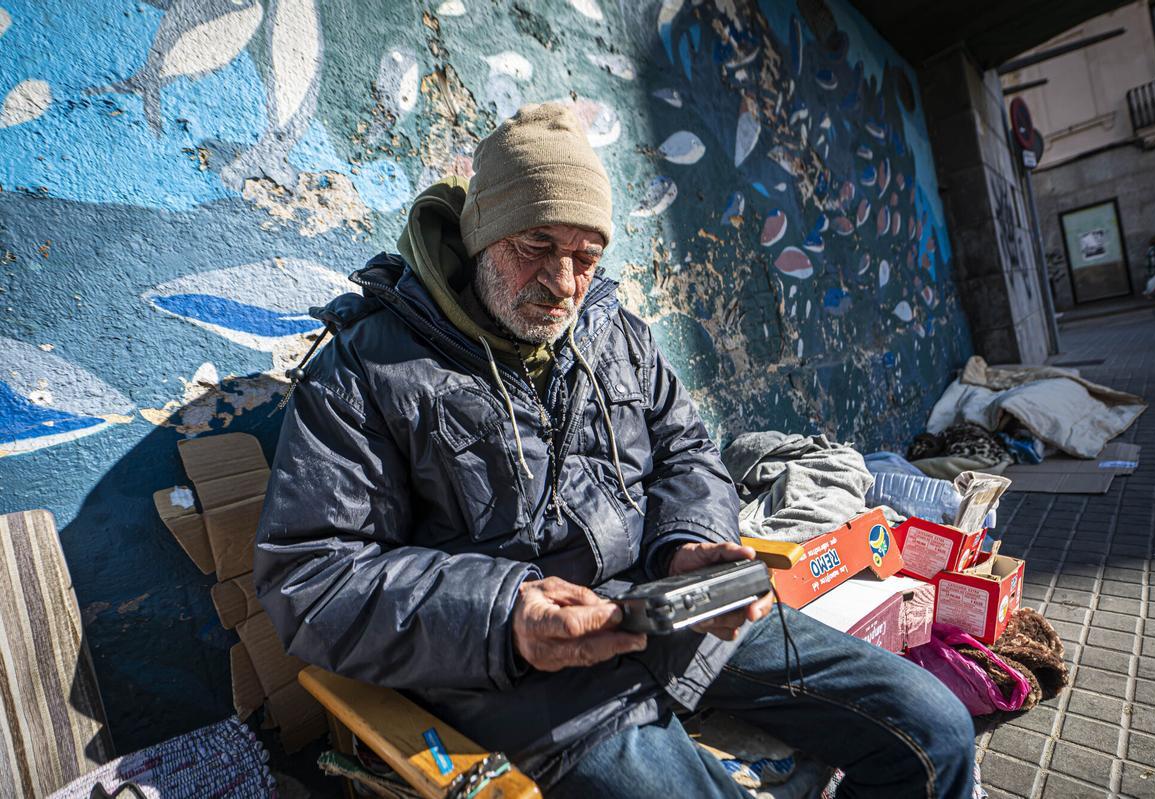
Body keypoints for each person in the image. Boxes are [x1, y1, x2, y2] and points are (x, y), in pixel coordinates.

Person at [255, 102, 975, 798]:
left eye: (585, 257)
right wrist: (508, 613)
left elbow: (688, 450)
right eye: (536, 245)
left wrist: (688, 545)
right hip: (515, 677)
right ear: (481, 234)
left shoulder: (615, 332)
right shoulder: (365, 368)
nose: (563, 283)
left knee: (933, 729)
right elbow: (313, 575)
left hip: (656, 613)